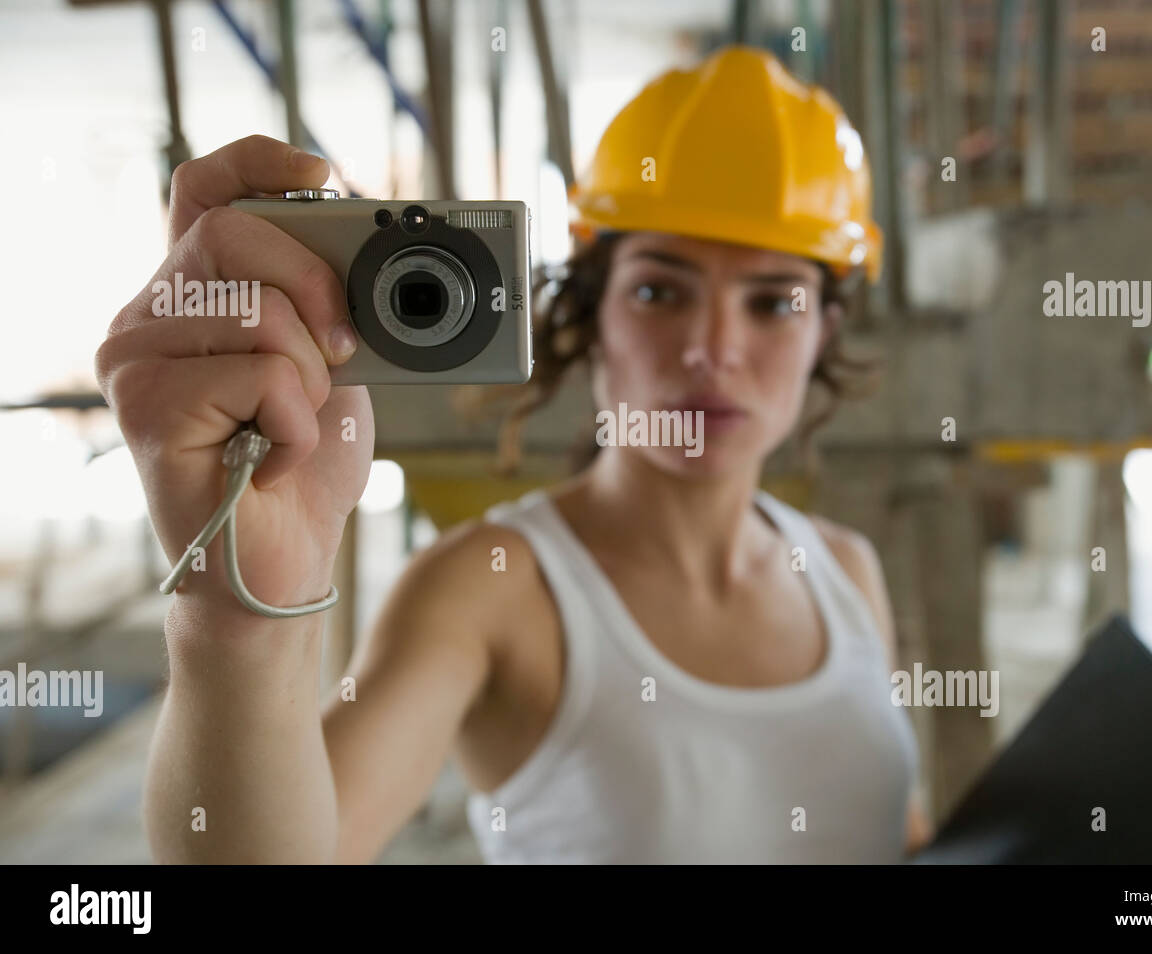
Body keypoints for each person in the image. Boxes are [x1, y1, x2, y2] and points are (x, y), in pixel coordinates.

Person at [96, 44, 931, 863]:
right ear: (589, 315)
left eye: (773, 301)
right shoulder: (489, 591)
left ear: (825, 327)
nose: (713, 349)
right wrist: (239, 622)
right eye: (658, 290)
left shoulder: (845, 573)